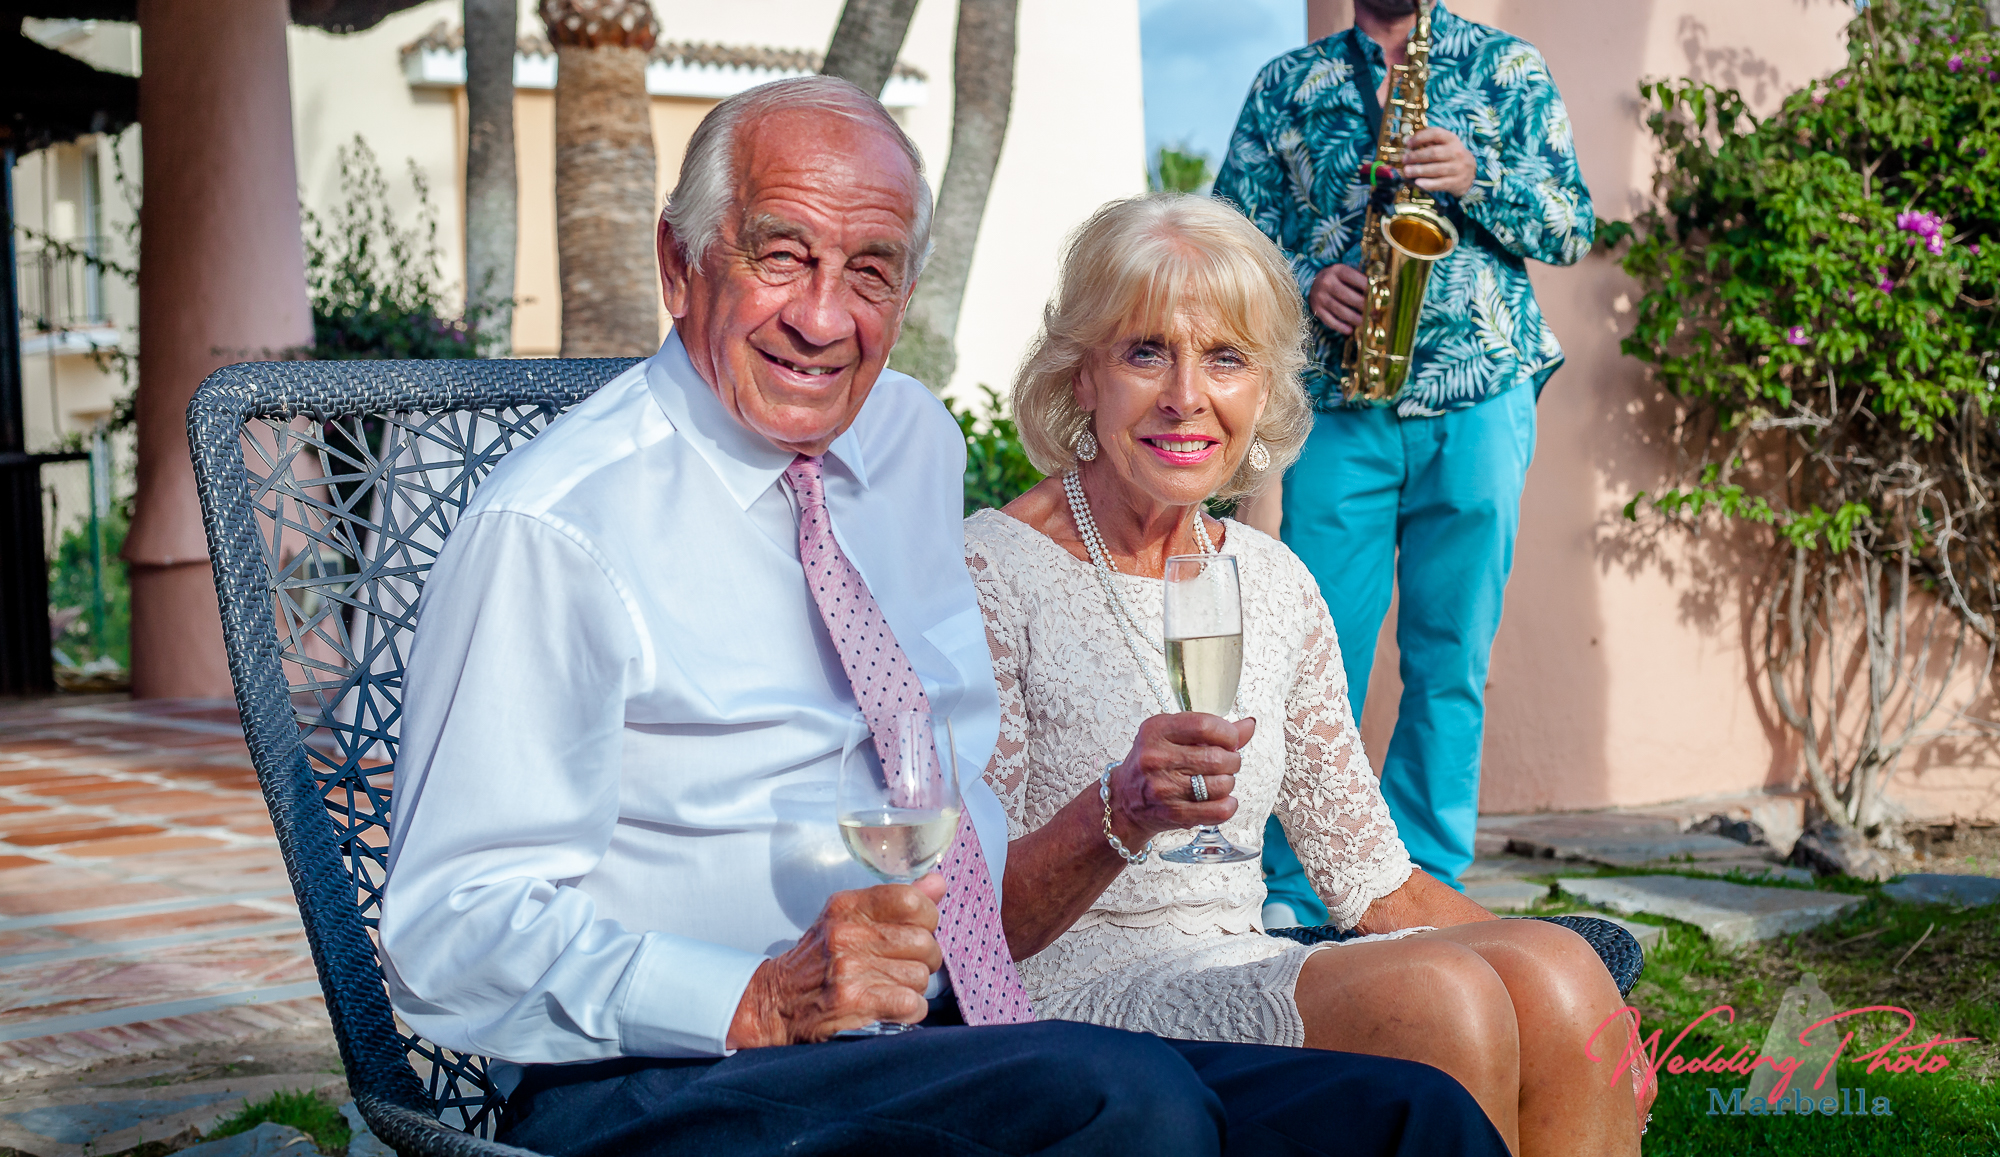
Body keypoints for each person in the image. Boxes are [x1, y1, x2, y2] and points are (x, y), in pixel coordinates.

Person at [377, 77, 1510, 1157]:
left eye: (869, 271)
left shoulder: (906, 442)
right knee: (1124, 1102)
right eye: (782, 256)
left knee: (1407, 1115)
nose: (823, 318)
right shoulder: (558, 528)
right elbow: (445, 930)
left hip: (930, 1030)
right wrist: (752, 995)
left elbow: (952, 763)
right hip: (663, 1071)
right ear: (680, 265)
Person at [967, 192, 1643, 1157]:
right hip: (1071, 988)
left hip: (1239, 955)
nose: (1186, 396)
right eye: (1147, 352)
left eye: (1226, 358)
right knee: (1442, 997)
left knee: (1572, 980)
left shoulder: (1273, 580)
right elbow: (972, 917)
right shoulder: (991, 569)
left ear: (1264, 389)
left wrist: (1560, 985)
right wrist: (1119, 811)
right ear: (1084, 374)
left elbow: (1371, 879)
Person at [1213, 0, 1595, 908]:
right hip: (1340, 402)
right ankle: (1298, 890)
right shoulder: (1286, 86)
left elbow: (1571, 226)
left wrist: (1477, 175)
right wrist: (1301, 283)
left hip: (1479, 396)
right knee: (1313, 656)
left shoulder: (1507, 71)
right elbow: (1225, 243)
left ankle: (1426, 879)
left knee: (1449, 654)